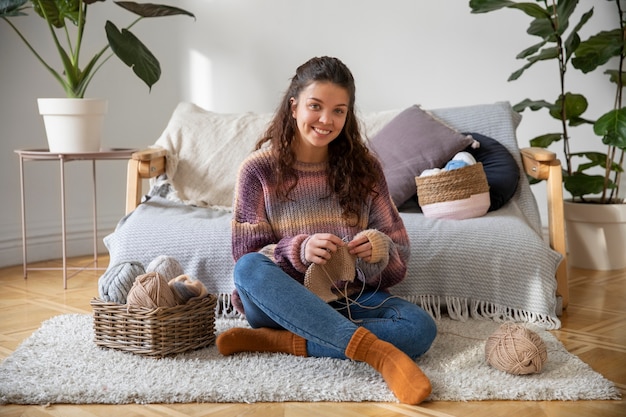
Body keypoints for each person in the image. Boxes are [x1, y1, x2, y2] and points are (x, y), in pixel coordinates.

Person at [216, 56, 437, 405]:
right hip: (278, 303)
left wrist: (378, 249)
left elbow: (399, 260)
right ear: (293, 106)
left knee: (420, 328)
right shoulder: (258, 170)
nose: (326, 120)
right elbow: (247, 260)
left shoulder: (365, 169)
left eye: (338, 111)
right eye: (315, 106)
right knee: (247, 269)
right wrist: (298, 251)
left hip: (347, 297)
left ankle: (280, 341)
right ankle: (378, 354)